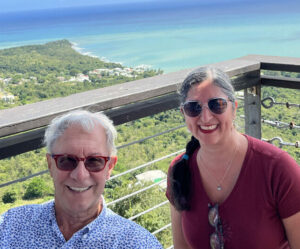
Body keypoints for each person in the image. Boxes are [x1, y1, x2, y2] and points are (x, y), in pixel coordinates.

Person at [166, 67, 300, 249]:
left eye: (217, 104)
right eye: (193, 108)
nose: (205, 117)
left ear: (234, 108)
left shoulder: (277, 169)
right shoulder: (180, 170)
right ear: (184, 114)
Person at [0, 110, 163, 249]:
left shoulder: (138, 243)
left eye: (94, 161)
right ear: (50, 164)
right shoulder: (10, 225)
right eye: (66, 160)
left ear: (110, 167)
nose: (80, 175)